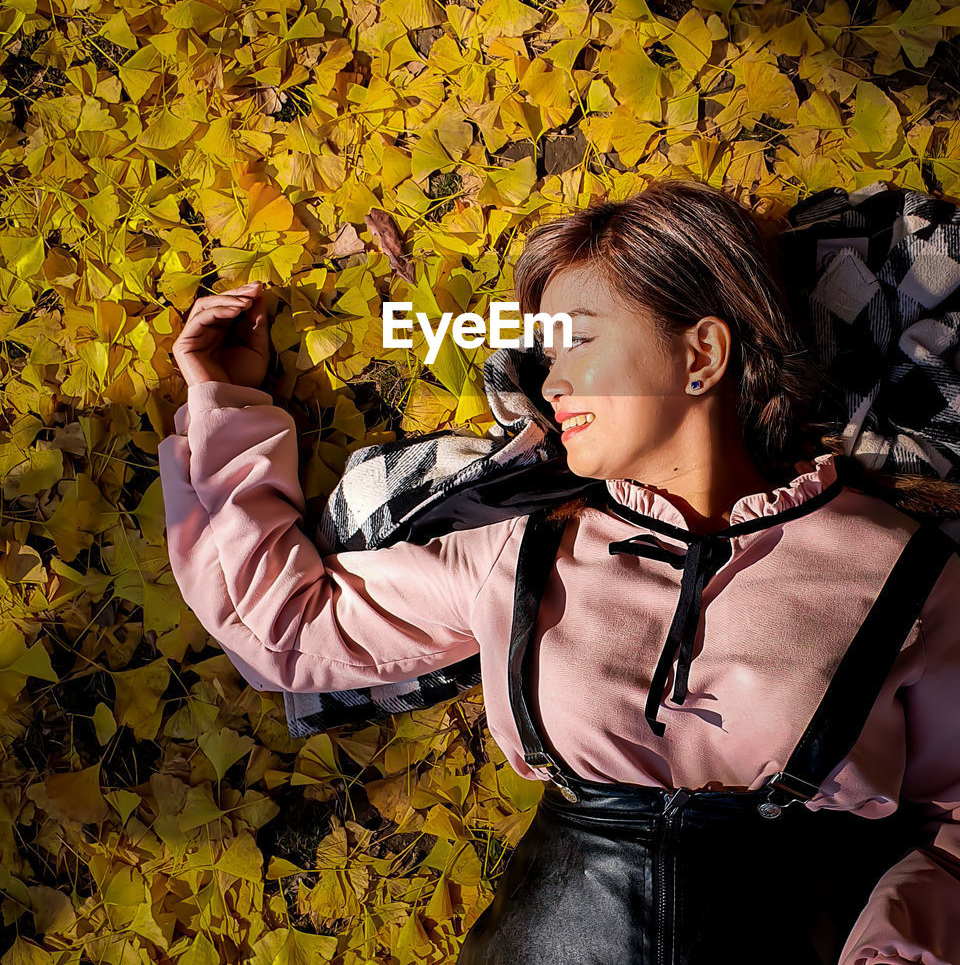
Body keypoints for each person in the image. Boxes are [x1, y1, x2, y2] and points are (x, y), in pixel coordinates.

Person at [158, 179, 960, 964]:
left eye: (578, 339)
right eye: (544, 353)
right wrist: (222, 399)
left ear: (702, 353)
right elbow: (289, 630)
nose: (551, 381)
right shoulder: (521, 548)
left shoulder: (901, 571)